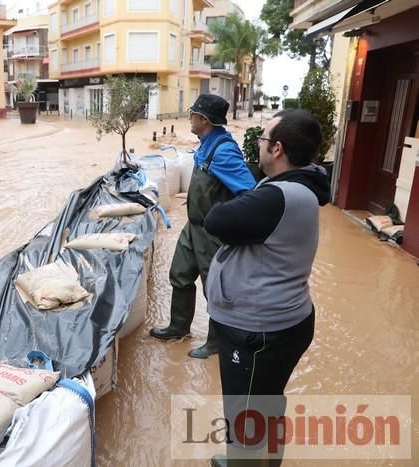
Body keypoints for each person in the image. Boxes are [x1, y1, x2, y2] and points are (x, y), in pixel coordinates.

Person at [204, 109, 330, 466]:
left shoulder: (279, 197)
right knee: (267, 403)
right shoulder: (299, 189)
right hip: (283, 322)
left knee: (244, 419)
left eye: (261, 139)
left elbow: (217, 220)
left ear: (277, 149)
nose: (256, 146)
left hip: (259, 333)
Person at [149, 94, 255, 359]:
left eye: (193, 114)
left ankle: (217, 341)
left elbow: (249, 193)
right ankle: (178, 327)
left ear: (204, 120)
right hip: (192, 227)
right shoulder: (206, 143)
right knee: (179, 274)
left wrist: (227, 223)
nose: (190, 119)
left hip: (212, 233)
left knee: (214, 288)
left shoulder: (224, 151)